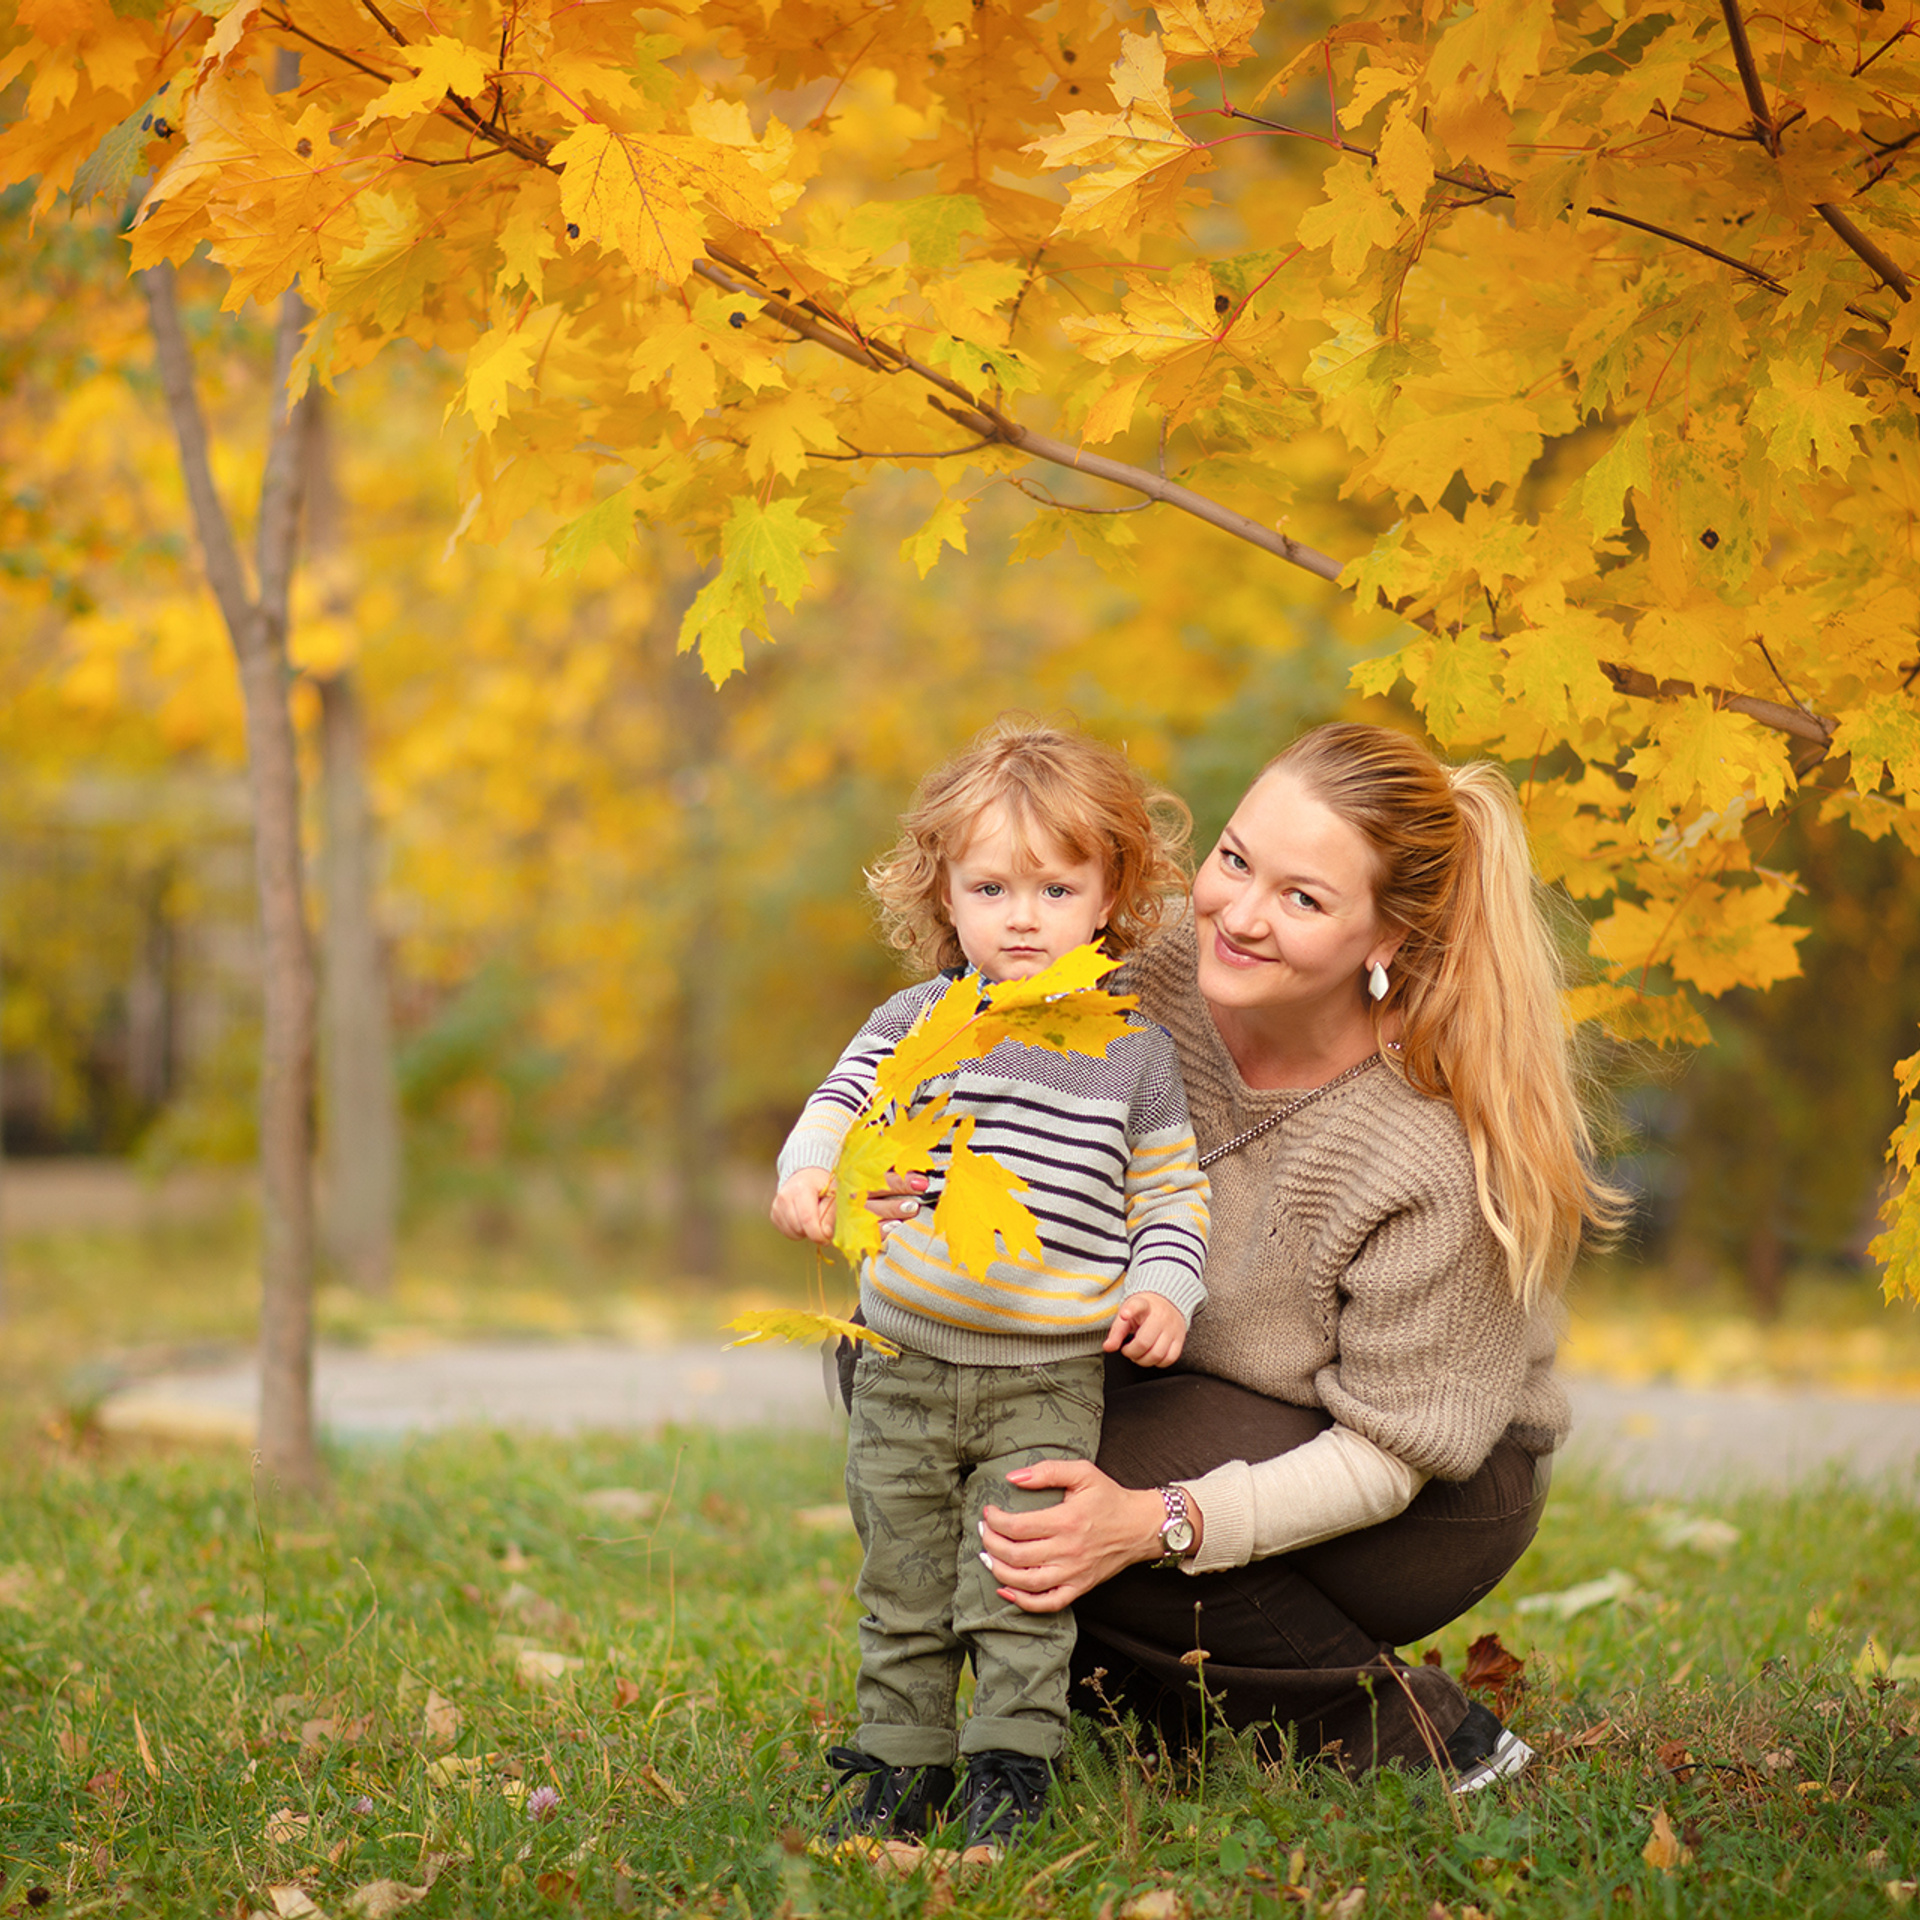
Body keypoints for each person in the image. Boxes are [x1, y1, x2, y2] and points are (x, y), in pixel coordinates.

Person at [867, 722, 1622, 1788]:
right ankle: (1165, 1699)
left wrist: (1156, 1522)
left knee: (1064, 1485)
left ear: (1386, 939)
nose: (1239, 915)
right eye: (1234, 860)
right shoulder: (1148, 971)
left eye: (1303, 899)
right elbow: (964, 1047)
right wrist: (903, 1172)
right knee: (908, 1359)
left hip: (1414, 1485)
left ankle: (1416, 1733)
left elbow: (1391, 1458)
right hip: (1181, 1375)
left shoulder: (1429, 1150)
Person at [771, 722, 1211, 1854]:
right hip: (905, 1359)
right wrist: (814, 1172)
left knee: (1019, 1585)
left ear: (1110, 895)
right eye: (991, 886)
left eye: (1056, 888)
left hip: (1046, 1378)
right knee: (905, 1575)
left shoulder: (1134, 1052)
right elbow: (837, 1108)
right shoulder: (918, 1026)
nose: (1023, 915)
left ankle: (1011, 1764)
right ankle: (896, 1761)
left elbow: (1171, 1197)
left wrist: (1166, 1285)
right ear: (946, 896)